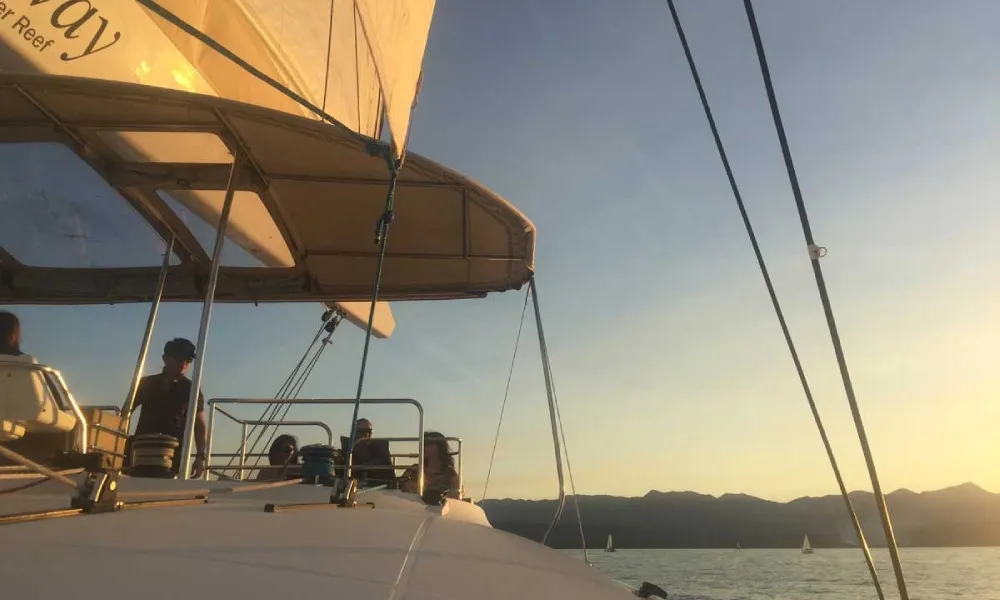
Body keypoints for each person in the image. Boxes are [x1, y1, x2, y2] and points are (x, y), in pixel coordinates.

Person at [126, 338, 207, 478]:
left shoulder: (191, 389)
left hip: (172, 457)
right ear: (166, 359)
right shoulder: (146, 383)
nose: (183, 364)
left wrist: (200, 456)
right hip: (141, 453)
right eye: (179, 358)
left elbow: (199, 425)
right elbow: (125, 413)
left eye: (188, 361)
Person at [399, 431, 462, 499]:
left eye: (428, 444)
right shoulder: (414, 469)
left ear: (439, 448)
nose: (423, 447)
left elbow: (455, 496)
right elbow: (400, 487)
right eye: (423, 444)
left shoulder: (451, 475)